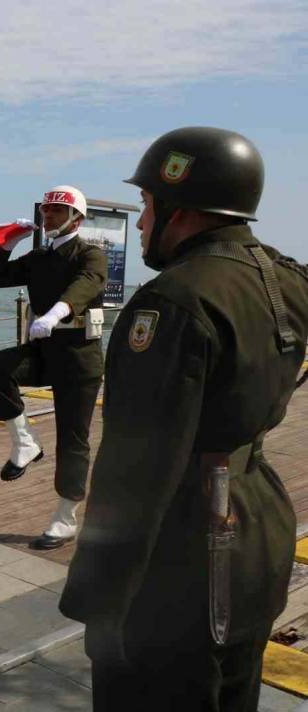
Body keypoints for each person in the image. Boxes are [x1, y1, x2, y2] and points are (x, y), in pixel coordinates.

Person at [60, 128, 308, 712]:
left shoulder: (171, 302)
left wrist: (100, 599)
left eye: (148, 205)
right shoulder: (287, 279)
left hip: (181, 561)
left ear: (183, 208)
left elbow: (135, 471)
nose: (143, 223)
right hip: (258, 531)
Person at [0, 186, 107, 550]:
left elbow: (87, 285)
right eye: (46, 210)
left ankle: (65, 517)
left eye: (56, 211)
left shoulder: (90, 254)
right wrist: (5, 245)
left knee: (72, 438)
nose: (47, 216)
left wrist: (55, 313)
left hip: (79, 357)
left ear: (76, 219)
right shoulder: (38, 257)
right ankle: (25, 444)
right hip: (45, 350)